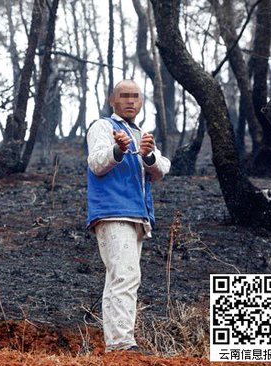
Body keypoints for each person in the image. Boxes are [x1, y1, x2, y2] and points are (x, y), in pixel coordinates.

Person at [86, 80, 171, 353]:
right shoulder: (103, 127)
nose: (130, 101)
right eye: (124, 96)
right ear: (113, 99)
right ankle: (122, 344)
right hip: (112, 211)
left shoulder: (141, 134)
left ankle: (118, 344)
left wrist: (147, 156)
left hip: (136, 214)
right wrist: (118, 150)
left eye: (136, 96)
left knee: (121, 277)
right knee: (125, 275)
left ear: (142, 101)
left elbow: (163, 168)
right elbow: (97, 163)